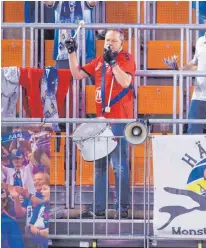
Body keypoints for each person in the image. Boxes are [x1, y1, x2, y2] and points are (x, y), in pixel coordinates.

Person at [65, 29, 136, 218]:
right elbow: (77, 74)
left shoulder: (126, 58)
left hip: (119, 119)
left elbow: (126, 82)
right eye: (107, 40)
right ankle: (98, 209)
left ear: (121, 44)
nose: (109, 44)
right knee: (100, 166)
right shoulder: (98, 61)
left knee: (119, 166)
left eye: (113, 41)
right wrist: (71, 53)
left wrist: (113, 62)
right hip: (101, 121)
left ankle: (122, 209)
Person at [44, 1, 96, 71]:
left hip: (84, 51)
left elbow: (92, 2)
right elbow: (49, 2)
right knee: (63, 79)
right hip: (63, 52)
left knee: (84, 80)